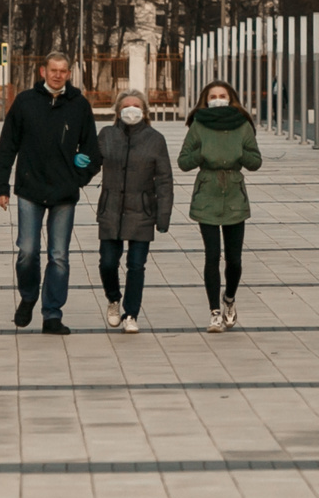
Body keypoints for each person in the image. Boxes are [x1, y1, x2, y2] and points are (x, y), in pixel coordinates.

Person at [0, 52, 101, 335]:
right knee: (27, 251)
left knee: (59, 256)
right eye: (53, 70)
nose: (58, 75)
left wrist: (78, 178)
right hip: (30, 189)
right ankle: (29, 296)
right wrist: (1, 187)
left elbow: (93, 151)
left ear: (69, 73)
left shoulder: (78, 105)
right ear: (43, 71)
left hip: (64, 193)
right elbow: (7, 146)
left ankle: (52, 314)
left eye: (63, 71)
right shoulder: (26, 102)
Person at [178, 78, 262, 333]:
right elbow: (183, 161)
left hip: (234, 195)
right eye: (212, 95)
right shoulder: (199, 125)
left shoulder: (243, 125)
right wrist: (202, 154)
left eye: (221, 95)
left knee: (234, 260)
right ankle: (214, 311)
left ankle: (229, 299)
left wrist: (238, 153)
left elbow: (255, 161)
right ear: (205, 100)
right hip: (208, 194)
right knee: (212, 256)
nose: (217, 99)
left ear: (231, 98)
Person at [94, 88, 172, 332]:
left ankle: (131, 313)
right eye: (126, 106)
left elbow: (164, 179)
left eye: (136, 106)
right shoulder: (106, 135)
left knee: (136, 265)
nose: (131, 110)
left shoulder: (155, 139)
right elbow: (90, 162)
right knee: (107, 263)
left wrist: (163, 215)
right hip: (111, 208)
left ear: (144, 111)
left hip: (142, 210)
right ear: (117, 111)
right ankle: (113, 298)